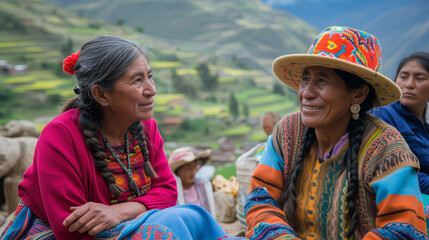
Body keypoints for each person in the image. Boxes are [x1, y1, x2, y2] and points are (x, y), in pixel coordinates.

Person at [0, 35, 230, 240]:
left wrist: (118, 212)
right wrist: (134, 215)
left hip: (126, 225)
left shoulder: (147, 128)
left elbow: (167, 191)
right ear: (101, 94)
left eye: (149, 76)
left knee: (192, 217)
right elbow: (70, 228)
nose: (151, 89)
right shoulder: (60, 136)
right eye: (137, 80)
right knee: (171, 225)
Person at [244, 26, 428, 239]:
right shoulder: (286, 132)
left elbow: (404, 230)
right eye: (306, 79)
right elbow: (260, 198)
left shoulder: (387, 150)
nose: (306, 93)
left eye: (322, 80)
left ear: (358, 94)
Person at [372, 52, 429, 194]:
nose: (409, 85)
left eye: (420, 78)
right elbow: (398, 171)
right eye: (403, 77)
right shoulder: (382, 116)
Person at [168, 146, 216, 216]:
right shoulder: (173, 193)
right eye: (188, 169)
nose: (193, 172)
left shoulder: (203, 187)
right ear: (178, 171)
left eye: (194, 168)